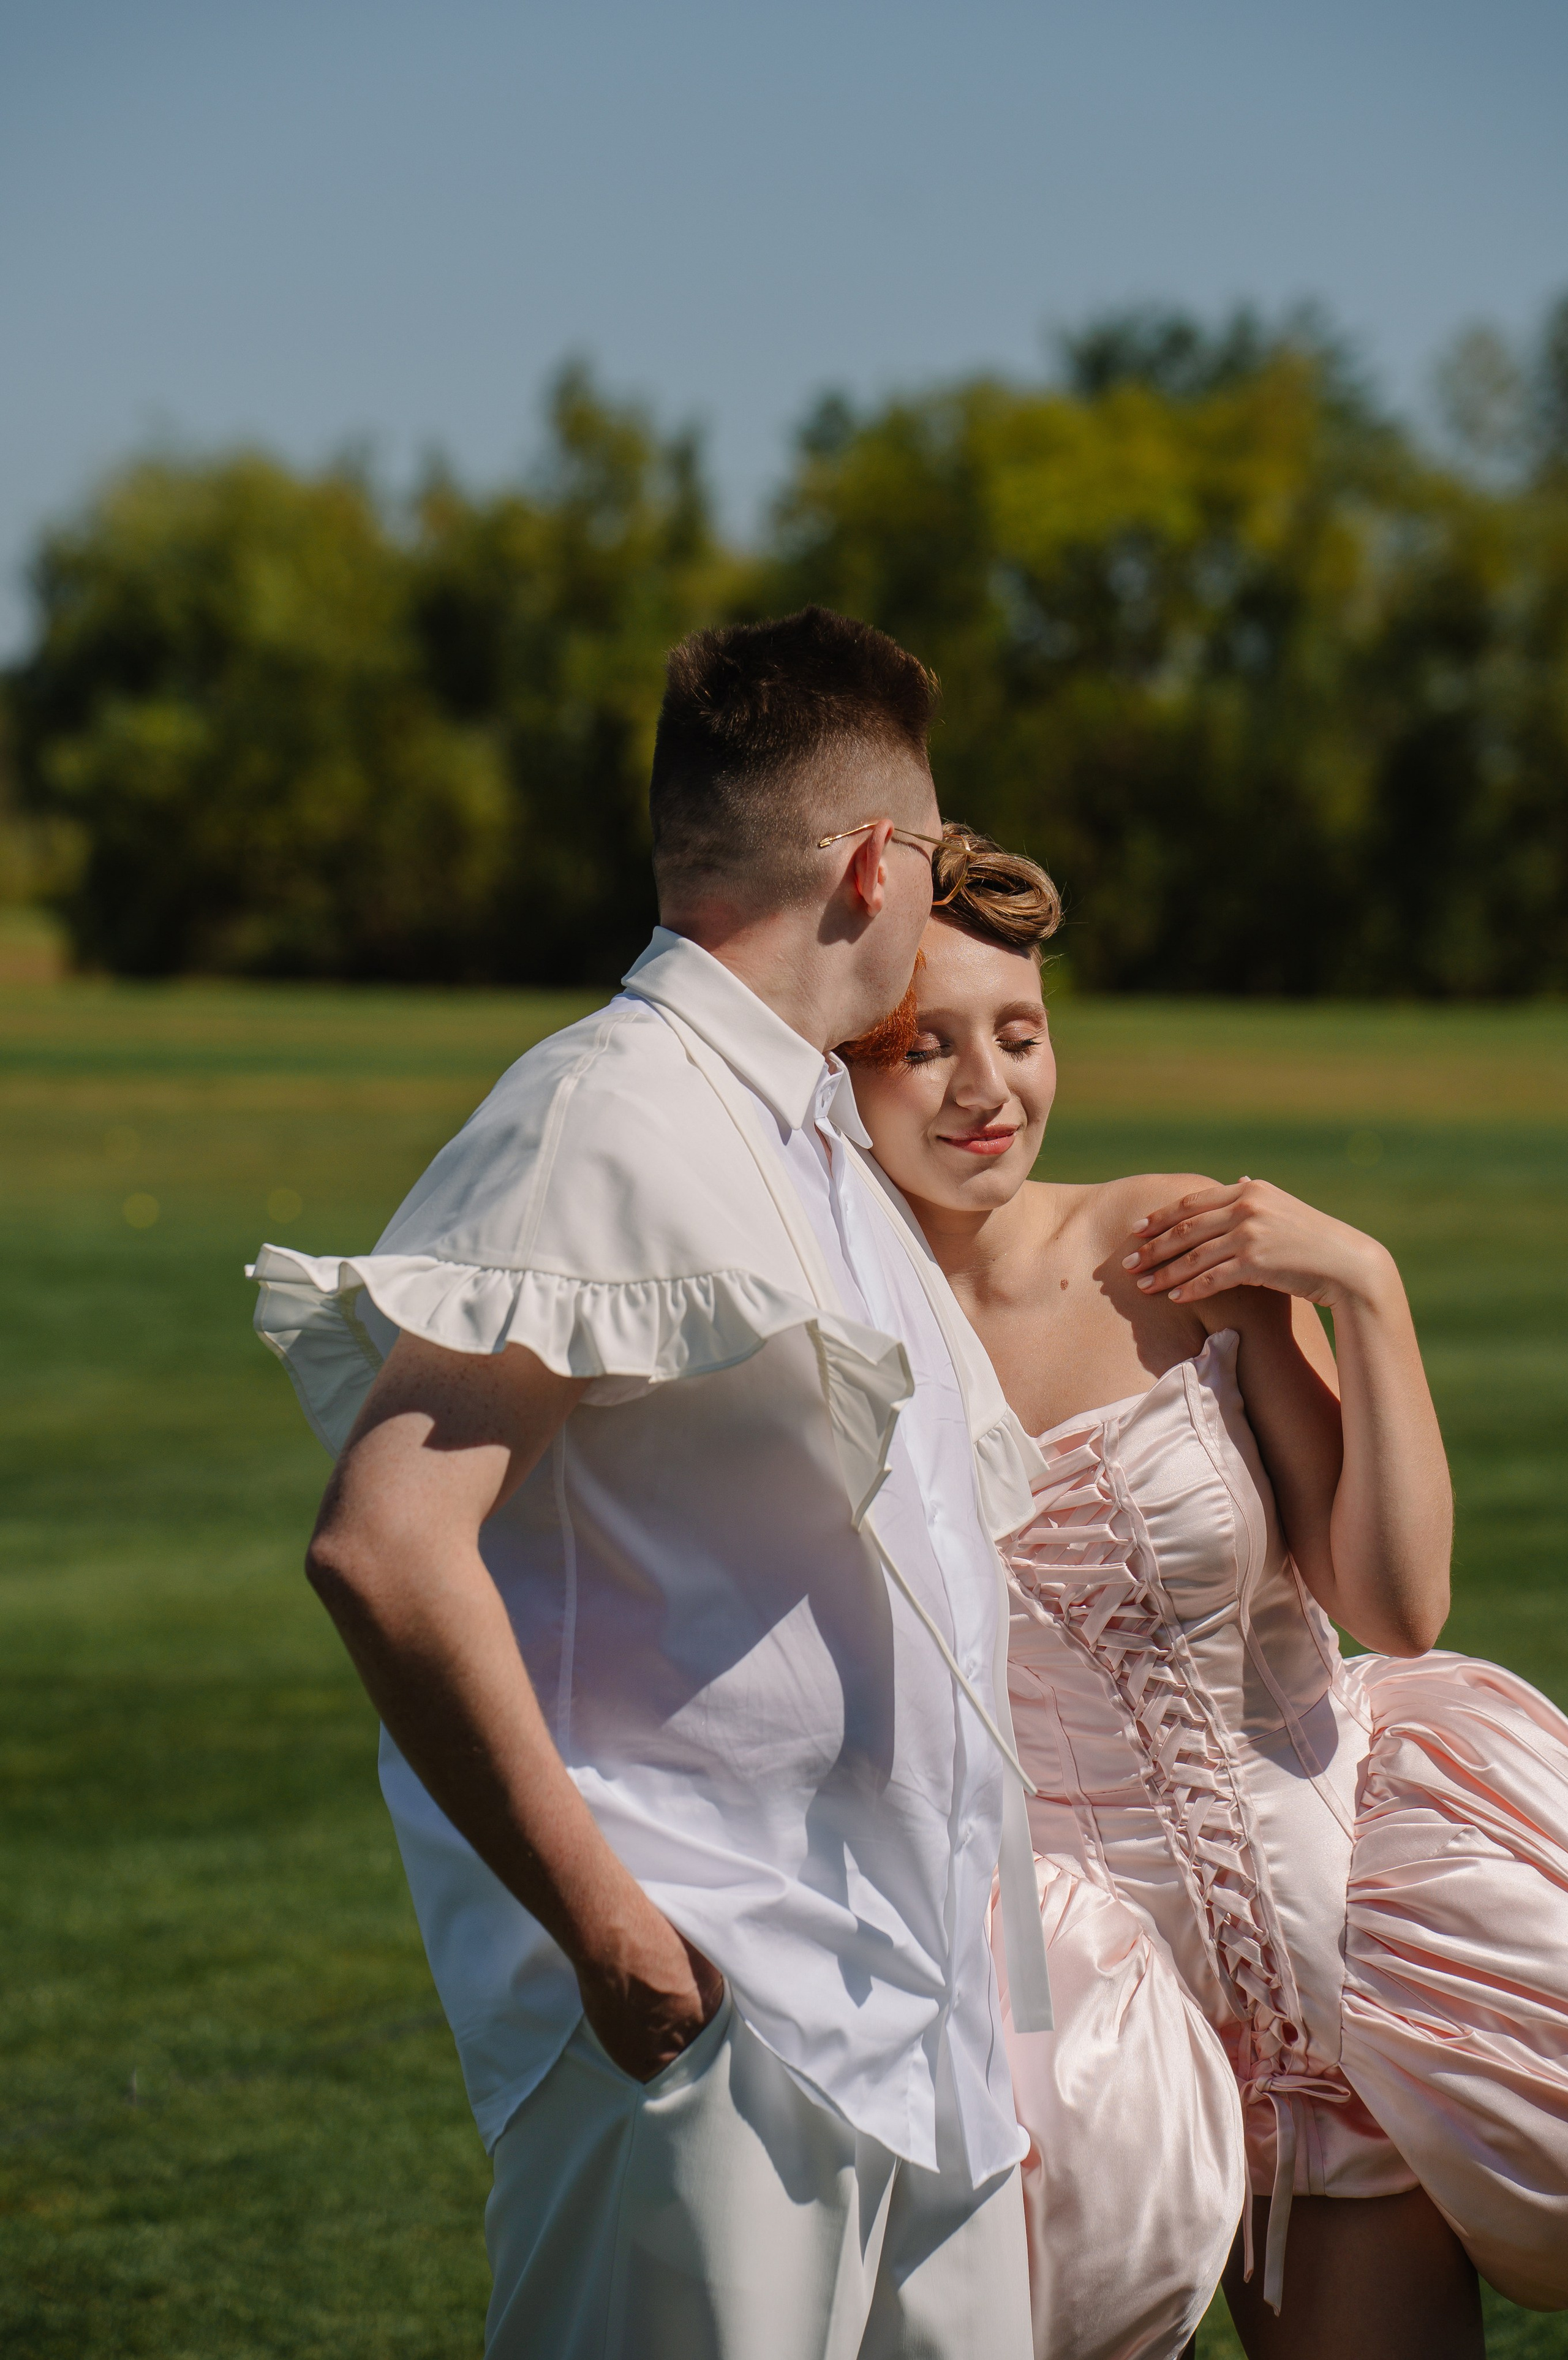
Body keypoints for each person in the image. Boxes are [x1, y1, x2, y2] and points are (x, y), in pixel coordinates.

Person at [249, 610, 1057, 2360]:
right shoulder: (601, 1112)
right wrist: (611, 1928)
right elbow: (385, 1547)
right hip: (710, 2014)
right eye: (930, 855)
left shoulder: (813, 1131)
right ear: (870, 864)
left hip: (917, 2011)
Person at [843, 826, 1568, 2360]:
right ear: (839, 1061)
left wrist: (1363, 1289)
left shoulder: (1169, 1249)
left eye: (1019, 1033)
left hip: (1330, 1993)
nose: (986, 1089)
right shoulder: (829, 1328)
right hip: (1066, 2052)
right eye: (924, 1046)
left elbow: (1396, 1606)